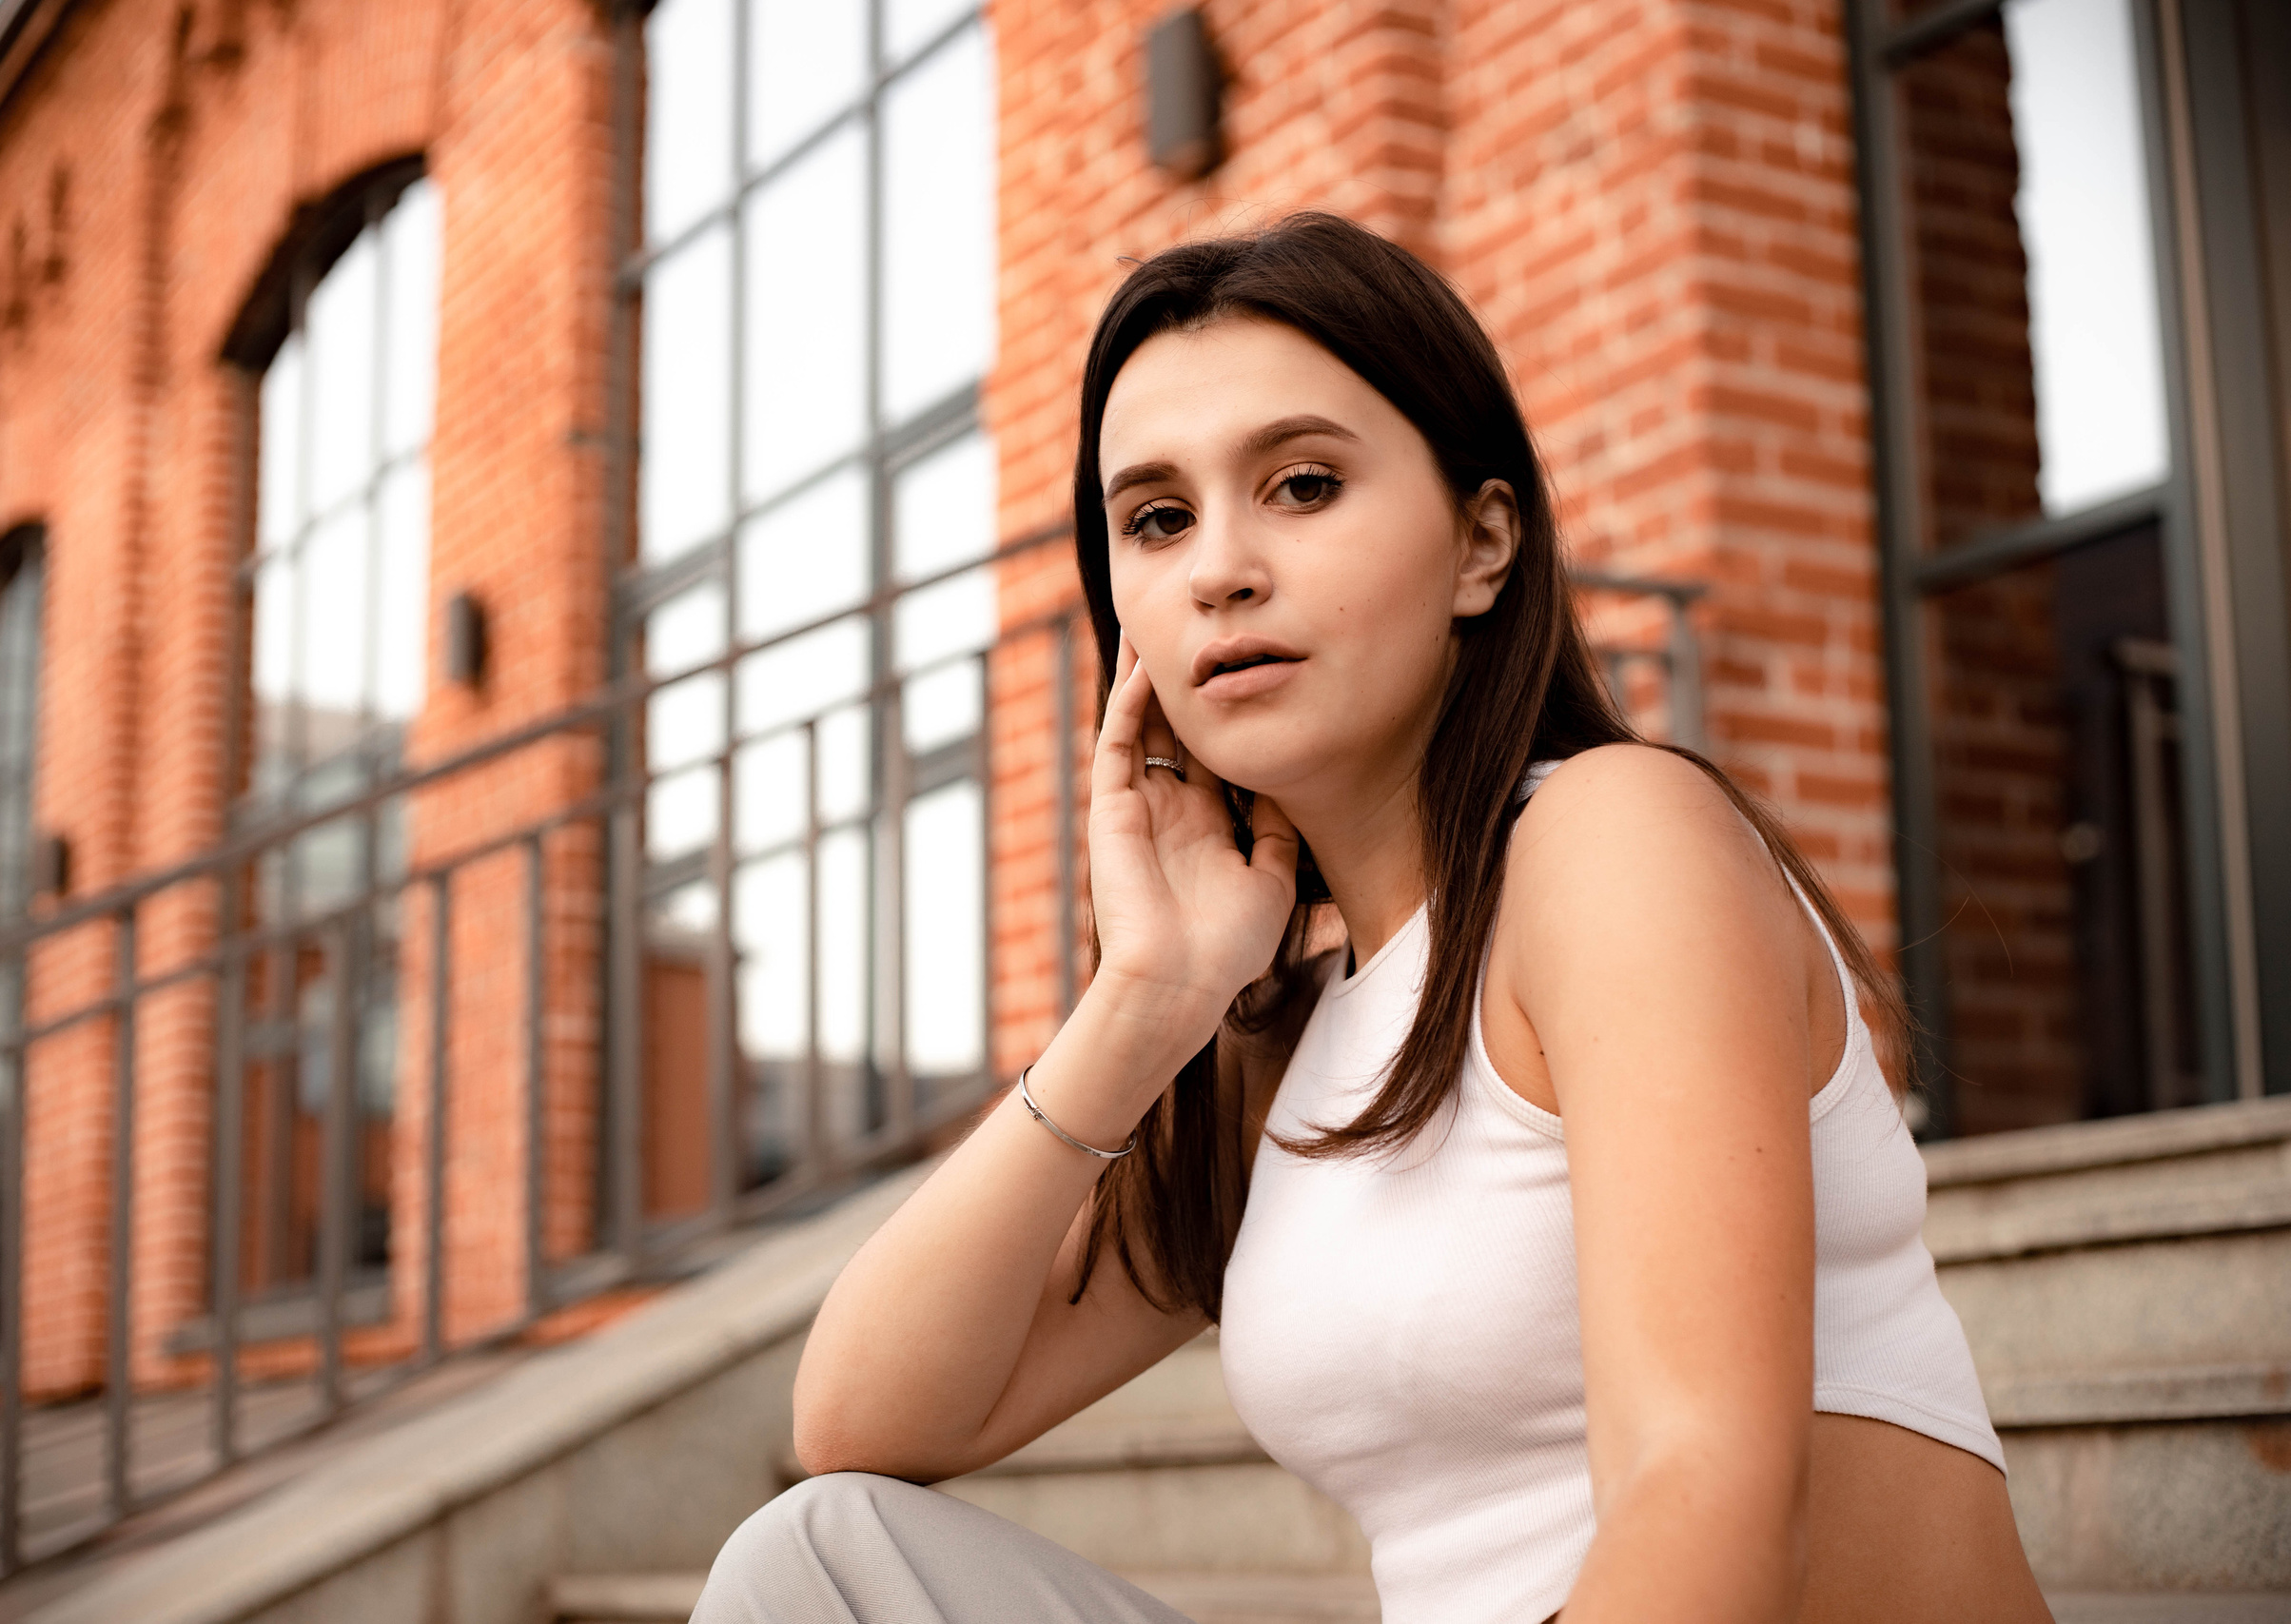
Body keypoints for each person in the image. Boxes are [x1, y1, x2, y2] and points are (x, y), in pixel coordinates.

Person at [692, 213, 2053, 1624]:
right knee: (815, 1563)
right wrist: (1148, 997)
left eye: (1299, 485)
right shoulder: (1283, 1034)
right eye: (1157, 520)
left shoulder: (1613, 841)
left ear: (1483, 543)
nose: (1219, 566)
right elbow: (857, 1423)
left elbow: (1699, 1486)